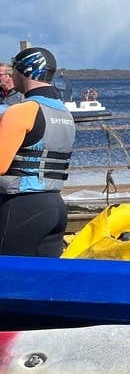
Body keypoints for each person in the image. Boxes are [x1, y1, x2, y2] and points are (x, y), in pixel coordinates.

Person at [0, 47, 74, 257]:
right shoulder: (63, 112)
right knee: (46, 283)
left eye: (14, 70)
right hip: (55, 205)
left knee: (9, 282)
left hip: (21, 206)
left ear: (27, 71)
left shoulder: (21, 111)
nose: (12, 76)